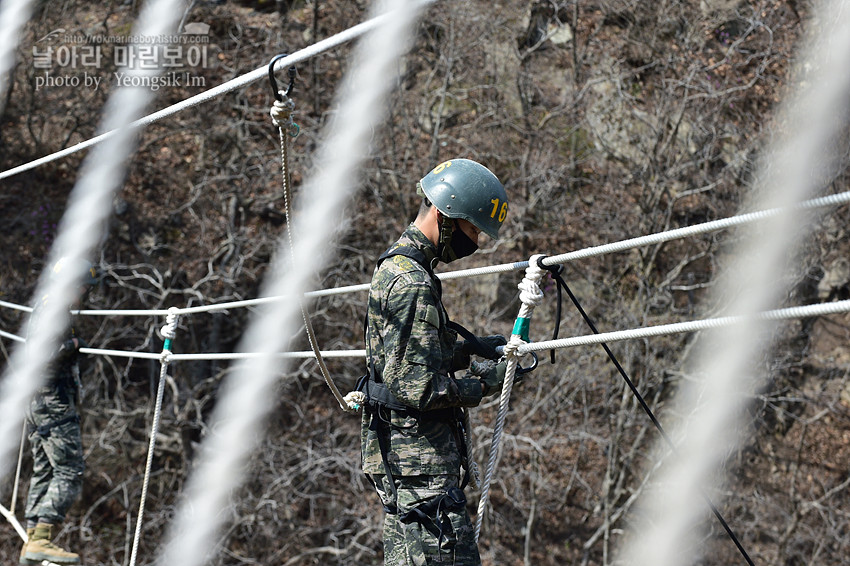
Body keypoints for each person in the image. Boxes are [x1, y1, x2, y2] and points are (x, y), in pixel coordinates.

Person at [359, 158, 510, 566]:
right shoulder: (412, 283)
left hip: (405, 464)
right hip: (422, 473)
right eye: (473, 228)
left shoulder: (400, 267)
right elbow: (417, 388)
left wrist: (471, 348)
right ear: (446, 215)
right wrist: (486, 383)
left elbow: (405, 358)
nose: (475, 240)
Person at [20, 257, 98, 566]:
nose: (83, 293)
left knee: (45, 468)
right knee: (69, 469)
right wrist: (74, 344)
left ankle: (32, 539)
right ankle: (41, 539)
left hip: (38, 401)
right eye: (81, 286)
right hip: (52, 401)